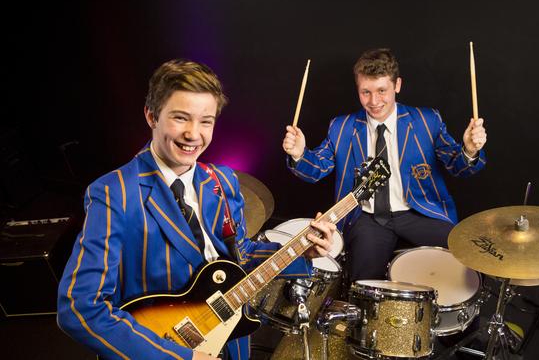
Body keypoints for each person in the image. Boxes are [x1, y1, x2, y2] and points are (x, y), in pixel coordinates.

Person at [57, 59, 335, 360]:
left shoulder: (223, 181)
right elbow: (80, 307)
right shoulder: (114, 192)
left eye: (206, 121)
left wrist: (303, 250)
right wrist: (179, 357)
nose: (194, 134)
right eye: (180, 118)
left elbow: (241, 256)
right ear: (152, 116)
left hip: (231, 341)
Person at [282, 48, 487, 282]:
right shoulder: (342, 127)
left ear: (397, 85)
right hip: (367, 217)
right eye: (365, 92)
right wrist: (299, 155)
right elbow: (316, 170)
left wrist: (469, 150)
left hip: (419, 212)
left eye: (382, 91)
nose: (374, 101)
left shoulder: (426, 120)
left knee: (467, 261)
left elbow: (457, 165)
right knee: (362, 283)